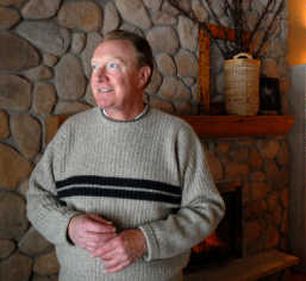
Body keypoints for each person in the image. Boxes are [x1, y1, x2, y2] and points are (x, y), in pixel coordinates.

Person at [27, 30, 225, 281]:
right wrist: (70, 225)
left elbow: (207, 208)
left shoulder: (176, 135)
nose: (98, 77)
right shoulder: (71, 131)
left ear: (142, 76)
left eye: (112, 66)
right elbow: (37, 197)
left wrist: (145, 240)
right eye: (95, 66)